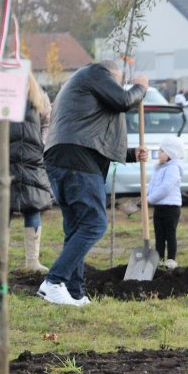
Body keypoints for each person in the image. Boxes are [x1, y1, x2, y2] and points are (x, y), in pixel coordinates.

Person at [38, 58, 146, 307]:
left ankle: (75, 292)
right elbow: (123, 101)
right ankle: (53, 282)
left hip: (64, 158)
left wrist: (130, 155)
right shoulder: (97, 73)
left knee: (77, 227)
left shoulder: (82, 87)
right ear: (114, 75)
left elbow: (94, 136)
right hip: (76, 161)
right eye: (120, 82)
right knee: (95, 223)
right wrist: (140, 87)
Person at [0, 77, 55, 274]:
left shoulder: (40, 98)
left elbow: (48, 122)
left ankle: (32, 262)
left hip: (32, 163)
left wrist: (41, 143)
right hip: (4, 162)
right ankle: (0, 261)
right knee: (3, 212)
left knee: (33, 208)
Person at [148, 136, 185, 269]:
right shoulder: (159, 168)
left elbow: (165, 188)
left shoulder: (173, 168)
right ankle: (159, 259)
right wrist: (146, 194)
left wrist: (149, 199)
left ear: (171, 153)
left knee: (170, 234)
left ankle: (171, 260)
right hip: (159, 207)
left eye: (162, 151)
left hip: (171, 207)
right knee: (159, 235)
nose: (158, 153)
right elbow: (152, 185)